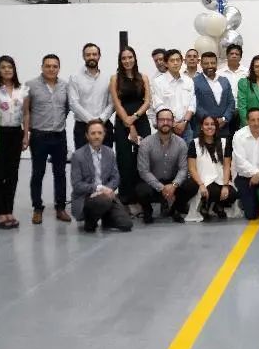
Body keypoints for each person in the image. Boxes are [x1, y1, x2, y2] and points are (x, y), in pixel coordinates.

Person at [24, 54, 71, 225]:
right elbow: (26, 111)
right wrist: (26, 134)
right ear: (42, 67)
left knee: (60, 173)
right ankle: (37, 208)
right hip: (39, 136)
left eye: (55, 66)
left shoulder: (65, 86)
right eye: (48, 66)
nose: (51, 69)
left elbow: (67, 108)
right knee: (38, 173)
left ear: (59, 68)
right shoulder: (30, 85)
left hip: (59, 135)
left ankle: (60, 207)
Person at [109, 46, 152, 211]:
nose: (127, 61)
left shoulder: (143, 77)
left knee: (142, 159)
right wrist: (128, 122)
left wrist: (135, 117)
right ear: (120, 61)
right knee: (125, 160)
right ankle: (126, 199)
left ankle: (141, 197)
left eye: (130, 57)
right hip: (122, 121)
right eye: (124, 58)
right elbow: (116, 103)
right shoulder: (115, 79)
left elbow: (147, 101)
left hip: (141, 121)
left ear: (135, 58)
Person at [70, 120, 132, 233]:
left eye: (99, 133)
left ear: (104, 134)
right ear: (87, 136)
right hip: (86, 197)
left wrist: (107, 190)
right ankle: (90, 222)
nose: (96, 136)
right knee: (103, 201)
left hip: (106, 195)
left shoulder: (110, 153)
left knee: (126, 224)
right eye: (93, 133)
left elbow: (115, 178)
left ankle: (106, 219)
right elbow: (77, 185)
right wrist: (99, 188)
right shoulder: (77, 156)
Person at [136, 108, 196, 224]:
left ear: (173, 122)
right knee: (140, 190)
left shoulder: (181, 143)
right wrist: (161, 187)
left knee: (192, 185)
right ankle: (148, 211)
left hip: (173, 183)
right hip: (153, 184)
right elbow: (143, 171)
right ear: (156, 122)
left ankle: (175, 209)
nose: (165, 123)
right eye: (162, 120)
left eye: (168, 120)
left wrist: (174, 185)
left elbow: (183, 169)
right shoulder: (146, 143)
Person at [0, 55, 25, 229]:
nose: (7, 70)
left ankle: (9, 210)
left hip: (16, 133)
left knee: (12, 174)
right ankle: (0, 212)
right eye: (3, 67)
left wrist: (26, 135)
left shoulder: (22, 89)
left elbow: (26, 113)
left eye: (10, 67)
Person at [187, 116, 233, 222]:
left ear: (216, 127)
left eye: (212, 124)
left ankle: (217, 206)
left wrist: (225, 185)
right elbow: (192, 168)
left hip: (220, 178)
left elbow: (227, 166)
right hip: (203, 179)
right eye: (206, 124)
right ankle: (205, 206)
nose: (209, 127)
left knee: (232, 193)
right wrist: (201, 185)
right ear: (201, 127)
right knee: (213, 191)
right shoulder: (194, 143)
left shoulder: (224, 142)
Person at [69, 43, 114, 150]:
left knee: (105, 158)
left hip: (104, 124)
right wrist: (92, 121)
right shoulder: (75, 77)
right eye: (88, 55)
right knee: (83, 159)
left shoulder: (108, 77)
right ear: (83, 56)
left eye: (94, 54)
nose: (91, 57)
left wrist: (101, 119)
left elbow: (112, 103)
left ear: (99, 56)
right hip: (82, 127)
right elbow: (73, 103)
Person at [152, 49, 197, 144]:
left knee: (188, 152)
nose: (175, 63)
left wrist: (184, 122)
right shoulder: (158, 82)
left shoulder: (188, 81)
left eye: (178, 60)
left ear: (182, 62)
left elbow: (192, 104)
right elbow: (158, 105)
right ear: (166, 64)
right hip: (166, 126)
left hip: (186, 126)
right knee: (167, 153)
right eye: (172, 60)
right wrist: (173, 124)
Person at [193, 51, 235, 138]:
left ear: (216, 64)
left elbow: (231, 102)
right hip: (204, 129)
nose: (210, 66)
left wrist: (224, 118)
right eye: (206, 63)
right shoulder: (194, 82)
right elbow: (195, 104)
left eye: (212, 63)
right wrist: (211, 121)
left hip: (223, 128)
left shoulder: (224, 80)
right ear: (201, 64)